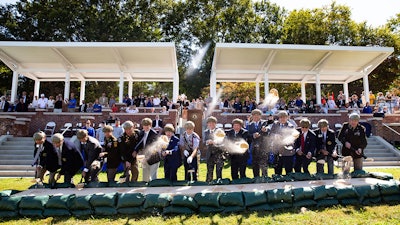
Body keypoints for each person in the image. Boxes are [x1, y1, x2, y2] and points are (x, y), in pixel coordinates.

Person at [135, 118, 159, 182]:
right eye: (144, 125)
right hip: (144, 158)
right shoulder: (141, 133)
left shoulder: (154, 134)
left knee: (153, 177)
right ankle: (145, 190)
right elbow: (140, 144)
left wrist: (147, 156)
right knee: (145, 176)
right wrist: (136, 151)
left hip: (154, 158)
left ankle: (153, 191)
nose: (145, 127)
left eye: (147, 125)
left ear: (150, 125)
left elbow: (153, 147)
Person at [247, 109, 268, 177]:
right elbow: (248, 135)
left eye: (257, 115)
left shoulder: (265, 123)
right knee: (255, 164)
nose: (256, 116)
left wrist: (264, 131)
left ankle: (265, 178)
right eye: (254, 115)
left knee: (264, 164)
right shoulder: (249, 125)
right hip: (254, 148)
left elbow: (268, 132)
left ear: (260, 116)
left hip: (263, 147)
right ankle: (256, 178)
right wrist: (253, 135)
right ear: (252, 116)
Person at [204, 116, 225, 182]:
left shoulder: (219, 131)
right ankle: (208, 184)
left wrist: (215, 142)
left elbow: (223, 140)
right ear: (207, 124)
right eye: (209, 123)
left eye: (213, 123)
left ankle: (219, 184)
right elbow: (204, 141)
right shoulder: (206, 132)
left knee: (218, 170)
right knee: (209, 171)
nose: (211, 124)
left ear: (215, 124)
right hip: (210, 154)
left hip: (219, 153)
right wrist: (207, 142)